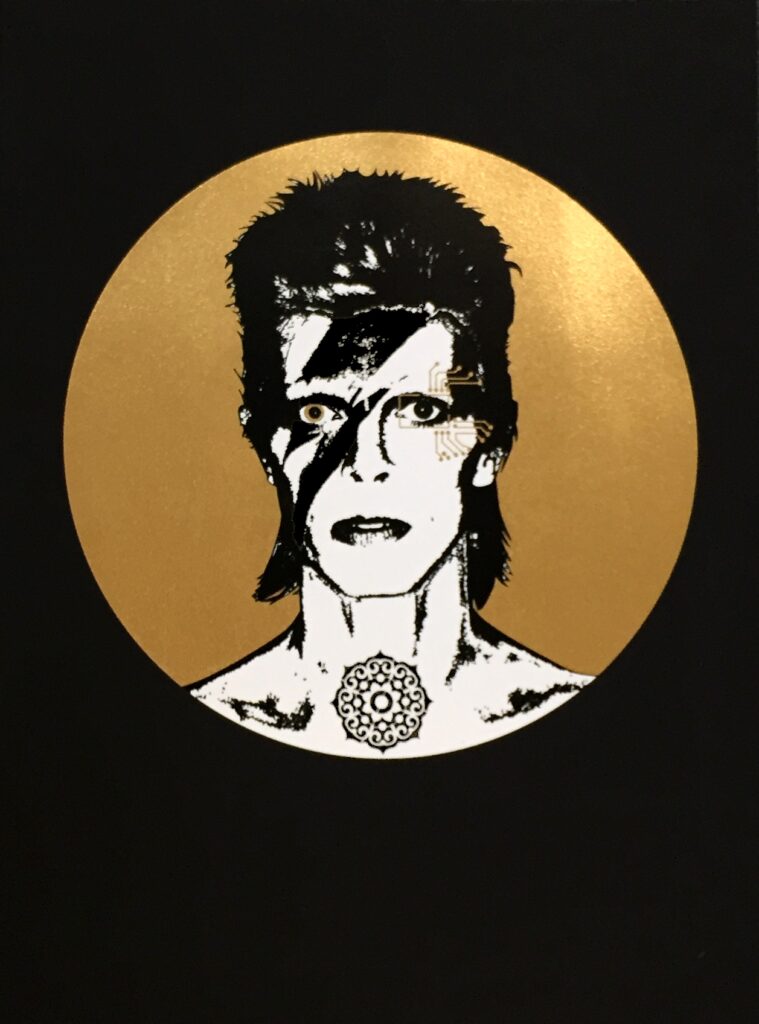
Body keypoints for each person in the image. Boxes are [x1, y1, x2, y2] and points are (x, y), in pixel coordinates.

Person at [189, 170, 592, 757]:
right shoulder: (192, 728)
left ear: (490, 444)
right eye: (317, 412)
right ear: (265, 444)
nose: (365, 463)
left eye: (420, 410)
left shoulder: (592, 724)